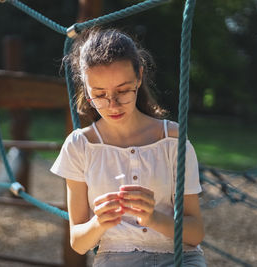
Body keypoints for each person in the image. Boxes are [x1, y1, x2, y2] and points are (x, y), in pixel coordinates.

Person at [50, 28, 206, 267]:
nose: (112, 105)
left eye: (123, 90)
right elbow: (79, 243)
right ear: (86, 88)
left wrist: (153, 218)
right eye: (99, 94)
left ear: (140, 76)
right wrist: (99, 223)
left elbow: (195, 234)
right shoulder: (80, 146)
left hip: (179, 257)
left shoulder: (173, 139)